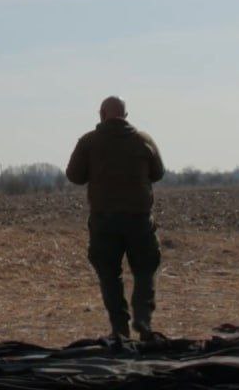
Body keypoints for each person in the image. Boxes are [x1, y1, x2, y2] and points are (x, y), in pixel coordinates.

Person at [65, 96, 166, 342]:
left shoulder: (88, 142)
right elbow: (158, 172)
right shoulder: (144, 141)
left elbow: (74, 175)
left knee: (109, 275)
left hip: (104, 221)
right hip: (139, 220)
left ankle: (119, 328)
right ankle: (142, 318)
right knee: (144, 270)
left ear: (101, 115)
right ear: (126, 115)